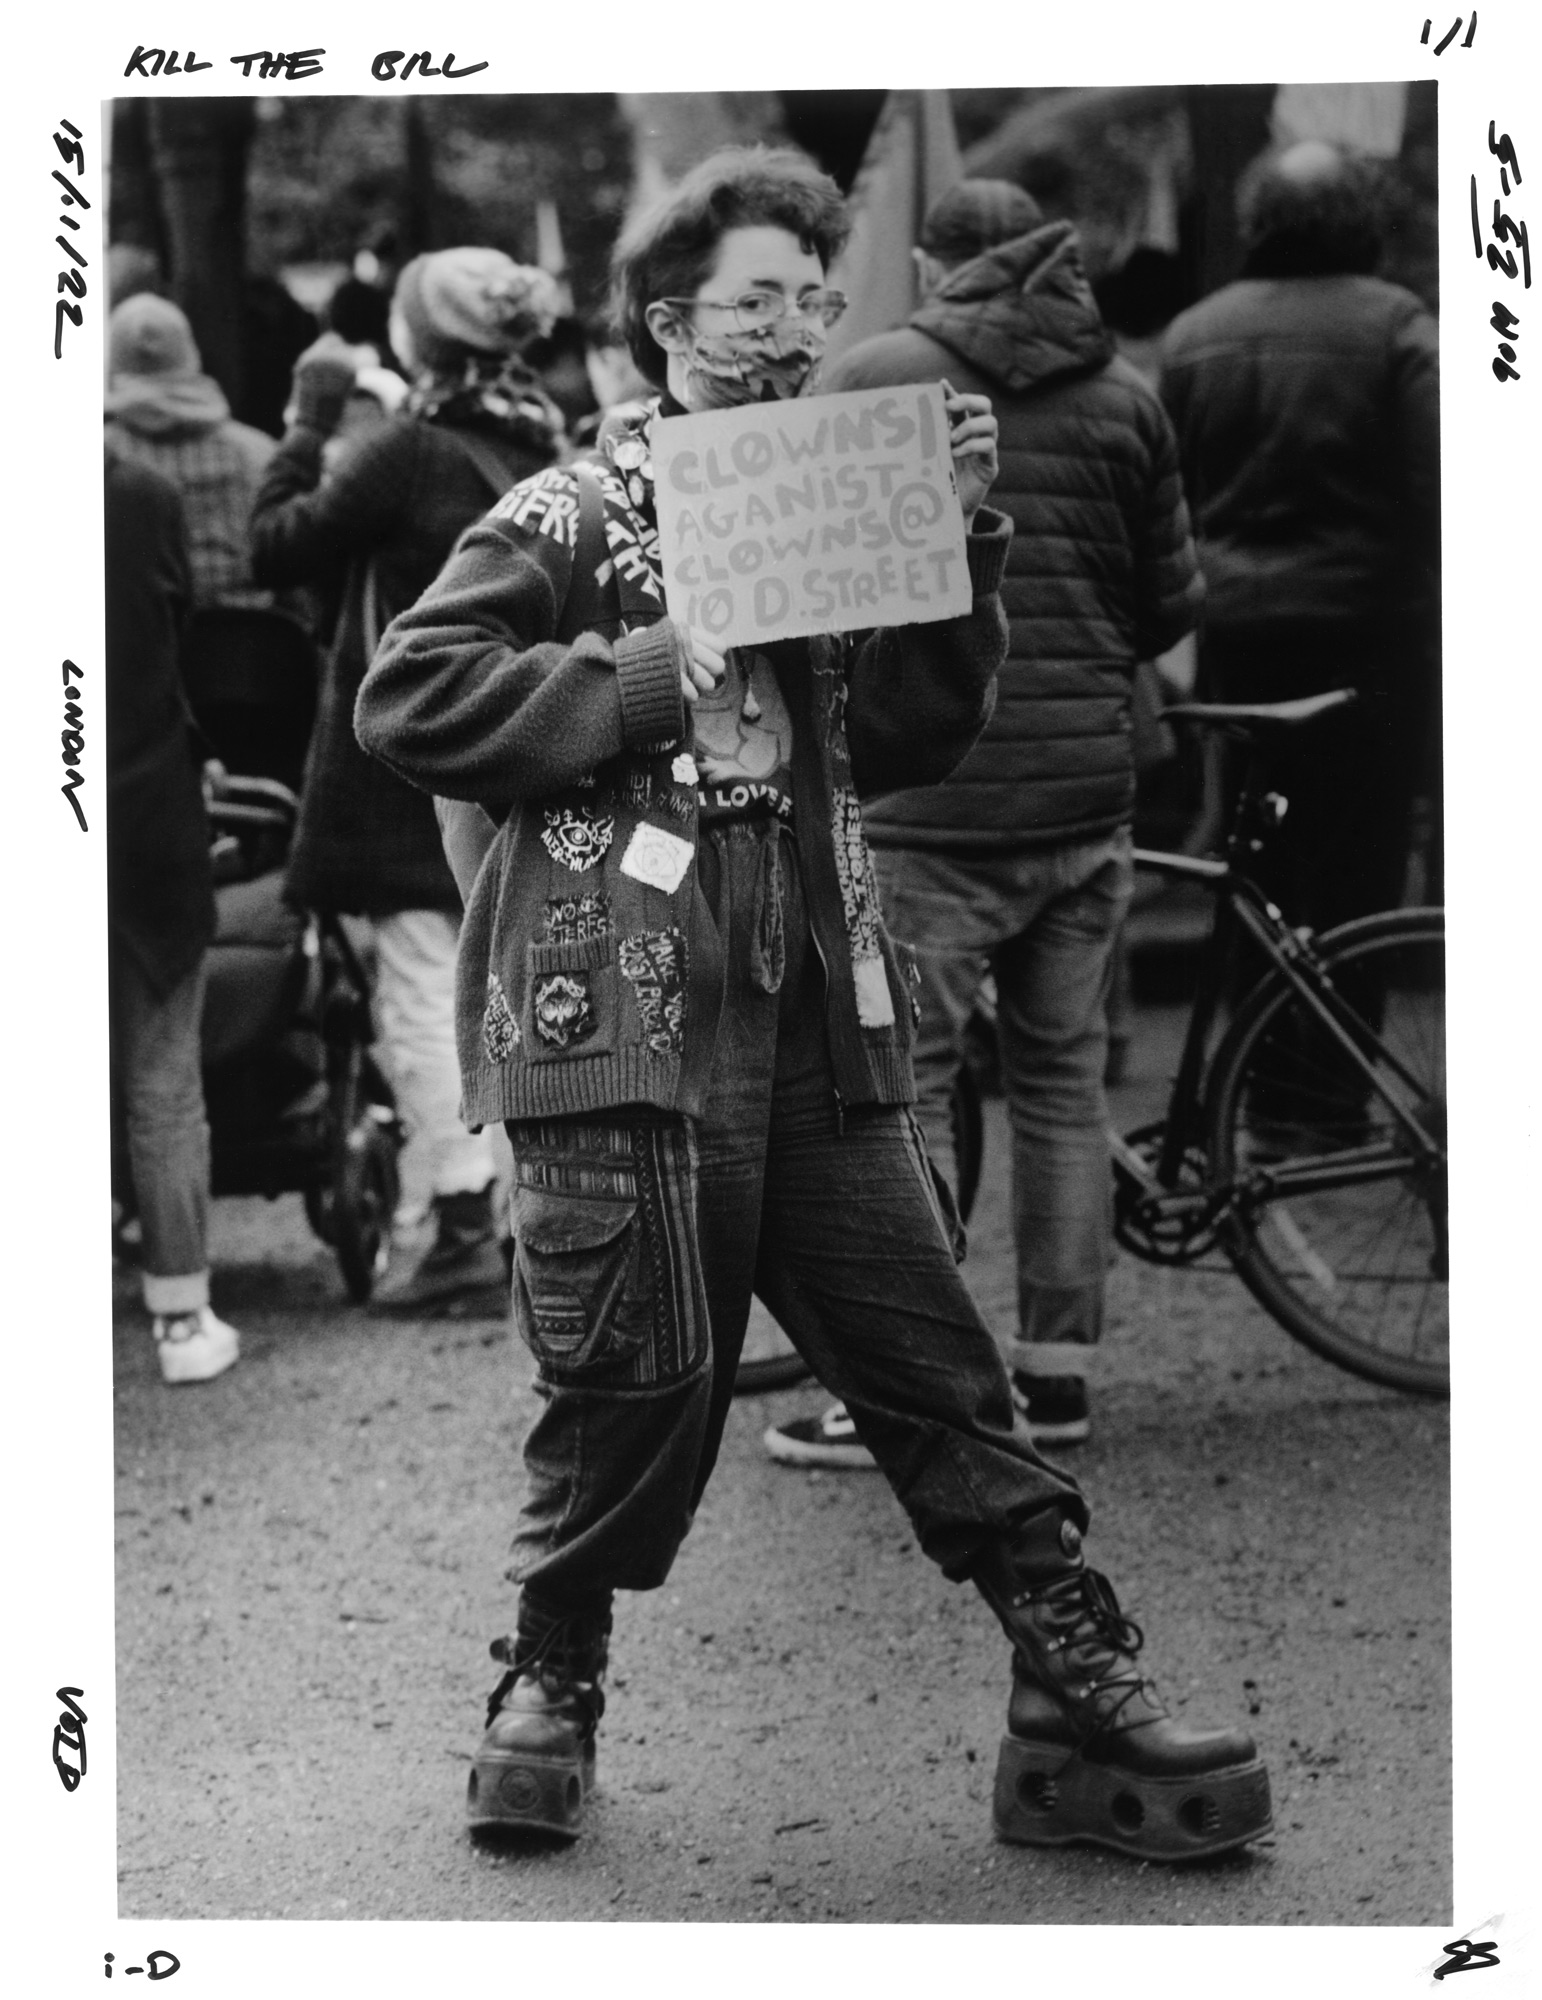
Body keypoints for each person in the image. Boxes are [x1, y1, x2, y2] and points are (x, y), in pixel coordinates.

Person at [354, 147, 1268, 1859]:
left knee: (929, 1351)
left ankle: (1069, 1680)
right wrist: (633, 676)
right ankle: (549, 1677)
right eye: (757, 301)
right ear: (666, 319)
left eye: (809, 302)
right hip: (620, 1010)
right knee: (623, 1369)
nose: (792, 333)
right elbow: (405, 699)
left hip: (818, 991)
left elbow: (920, 734)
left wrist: (965, 553)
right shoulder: (564, 508)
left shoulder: (832, 494)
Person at [767, 180, 1202, 1465]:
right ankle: (1057, 1376)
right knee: (1065, 1089)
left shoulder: (872, 375)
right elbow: (1168, 607)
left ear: (925, 260)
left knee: (909, 1086)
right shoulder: (1126, 393)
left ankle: (912, 1390)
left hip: (929, 804)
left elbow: (797, 582)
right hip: (1084, 799)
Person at [251, 249, 569, 1312]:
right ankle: (500, 1212)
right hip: (505, 752)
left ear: (418, 342)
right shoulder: (539, 444)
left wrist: (305, 420)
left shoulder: (407, 450)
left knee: (419, 993)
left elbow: (277, 546)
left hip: (404, 765)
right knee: (486, 990)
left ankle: (466, 1221)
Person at [1158, 140, 1441, 939]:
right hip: (1370, 633)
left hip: (1240, 634)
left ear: (1258, 221)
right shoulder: (1396, 326)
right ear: (1360, 218)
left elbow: (1169, 494)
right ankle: (1338, 1058)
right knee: (1365, 862)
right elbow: (1440, 488)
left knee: (1256, 860)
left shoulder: (1192, 335)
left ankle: (1257, 1053)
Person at [105, 448, 240, 1385]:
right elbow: (171, 646)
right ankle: (182, 1316)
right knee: (163, 1080)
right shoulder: (140, 493)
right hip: (146, 812)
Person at [104, 293, 281, 612]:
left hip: (143, 653)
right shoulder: (259, 453)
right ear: (190, 353)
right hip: (252, 652)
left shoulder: (103, 461)